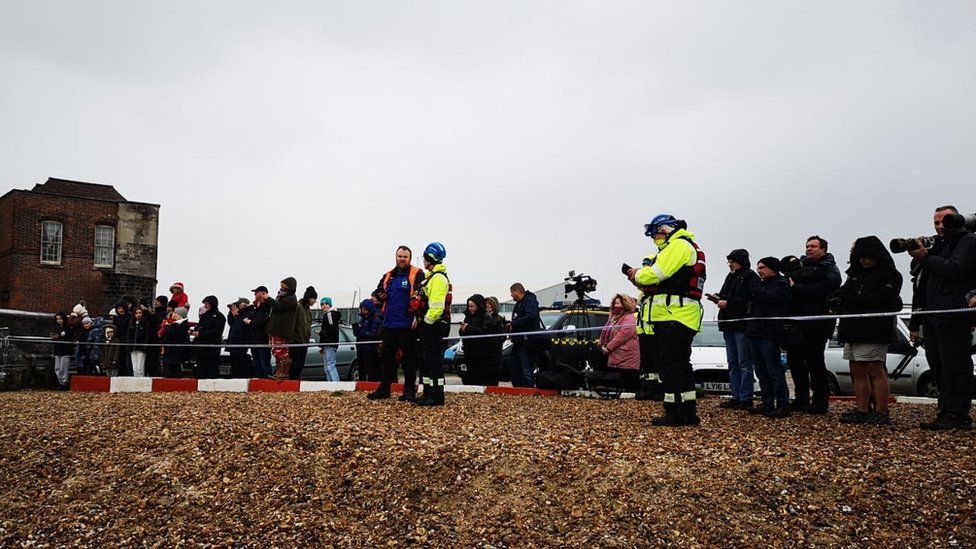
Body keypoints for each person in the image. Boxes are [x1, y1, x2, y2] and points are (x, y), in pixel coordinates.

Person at [629, 214, 706, 427]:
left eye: (655, 234)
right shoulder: (683, 246)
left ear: (666, 228)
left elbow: (652, 275)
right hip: (679, 315)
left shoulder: (678, 246)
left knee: (670, 365)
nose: (654, 239)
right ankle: (687, 411)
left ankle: (674, 411)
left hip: (674, 315)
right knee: (680, 364)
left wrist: (637, 274)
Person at [909, 206, 976, 431]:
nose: (940, 227)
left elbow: (955, 269)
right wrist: (916, 320)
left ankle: (958, 413)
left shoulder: (967, 240)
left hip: (953, 313)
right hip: (932, 314)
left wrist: (926, 257)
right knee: (938, 365)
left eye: (945, 222)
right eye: (936, 222)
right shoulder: (938, 244)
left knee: (955, 365)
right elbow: (921, 284)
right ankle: (945, 410)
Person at [833, 236, 903, 425]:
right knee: (856, 370)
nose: (863, 260)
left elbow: (882, 299)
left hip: (874, 330)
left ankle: (881, 412)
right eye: (860, 256)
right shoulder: (855, 275)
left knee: (874, 370)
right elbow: (842, 294)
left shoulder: (891, 275)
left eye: (867, 256)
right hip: (852, 329)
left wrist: (852, 300)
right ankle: (862, 410)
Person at [785, 236, 841, 414]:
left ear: (823, 249)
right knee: (795, 361)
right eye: (807, 246)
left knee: (815, 363)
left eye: (813, 246)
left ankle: (820, 401)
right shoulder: (801, 267)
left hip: (818, 323)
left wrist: (799, 287)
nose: (809, 249)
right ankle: (801, 399)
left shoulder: (830, 268)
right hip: (798, 321)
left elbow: (826, 287)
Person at [368, 246, 425, 401]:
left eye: (405, 257)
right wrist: (379, 295)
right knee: (386, 358)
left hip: (407, 324)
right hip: (389, 323)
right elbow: (377, 292)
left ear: (410, 258)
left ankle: (409, 391)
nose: (402, 259)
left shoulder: (417, 274)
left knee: (409, 359)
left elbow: (423, 297)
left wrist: (417, 317)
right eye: (399, 256)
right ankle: (384, 389)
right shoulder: (388, 275)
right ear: (395, 257)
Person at [745, 257, 794, 418]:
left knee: (774, 370)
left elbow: (767, 297)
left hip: (769, 334)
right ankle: (767, 403)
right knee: (761, 370)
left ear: (773, 268)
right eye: (758, 267)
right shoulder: (761, 284)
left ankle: (783, 404)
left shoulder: (781, 284)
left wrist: (754, 285)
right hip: (755, 331)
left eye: (763, 267)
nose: (760, 270)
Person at [716, 249, 759, 410]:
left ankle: (745, 397)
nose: (730, 264)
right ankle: (736, 395)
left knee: (744, 363)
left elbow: (750, 299)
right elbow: (723, 294)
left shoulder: (749, 276)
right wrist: (719, 299)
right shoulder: (730, 277)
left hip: (741, 325)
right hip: (728, 324)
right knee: (733, 362)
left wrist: (729, 303)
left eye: (732, 261)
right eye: (729, 261)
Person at [415, 242, 451, 406]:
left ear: (430, 258)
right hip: (432, 325)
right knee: (427, 361)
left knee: (433, 362)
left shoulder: (437, 279)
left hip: (434, 325)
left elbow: (436, 308)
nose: (424, 262)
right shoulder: (434, 277)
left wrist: (426, 324)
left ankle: (436, 396)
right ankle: (429, 392)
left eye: (425, 258)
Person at [460, 294, 507, 386]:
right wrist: (464, 329)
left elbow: (486, 334)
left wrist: (468, 328)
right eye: (486, 303)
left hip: (489, 355)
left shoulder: (494, 319)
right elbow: (463, 332)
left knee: (488, 380)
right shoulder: (469, 317)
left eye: (490, 304)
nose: (487, 306)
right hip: (470, 353)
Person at [509, 283, 548, 388]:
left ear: (517, 291)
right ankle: (518, 388)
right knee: (515, 367)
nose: (511, 295)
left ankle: (528, 390)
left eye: (512, 293)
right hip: (518, 341)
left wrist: (515, 324)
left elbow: (530, 316)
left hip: (527, 341)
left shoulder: (529, 302)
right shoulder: (519, 304)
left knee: (526, 367)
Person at [599, 294, 640, 388]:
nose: (615, 306)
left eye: (618, 303)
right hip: (615, 355)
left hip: (626, 355)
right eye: (614, 303)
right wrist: (601, 343)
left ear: (624, 304)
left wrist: (608, 348)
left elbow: (622, 335)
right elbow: (605, 331)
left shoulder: (629, 317)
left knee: (629, 381)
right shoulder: (613, 317)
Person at [268, 277, 299, 380]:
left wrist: (268, 299)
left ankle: (283, 373)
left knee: (281, 351)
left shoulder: (291, 299)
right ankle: (278, 372)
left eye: (284, 287)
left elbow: (278, 306)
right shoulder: (281, 297)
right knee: (276, 351)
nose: (281, 289)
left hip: (283, 330)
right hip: (277, 329)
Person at [192, 296, 226, 379]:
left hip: (212, 347)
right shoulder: (204, 316)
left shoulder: (219, 316)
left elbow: (216, 331)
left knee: (212, 369)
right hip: (201, 347)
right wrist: (193, 332)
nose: (205, 306)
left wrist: (201, 334)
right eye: (204, 304)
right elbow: (199, 327)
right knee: (201, 369)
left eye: (206, 304)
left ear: (212, 304)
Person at [243, 286, 274, 378]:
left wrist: (251, 322)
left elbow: (264, 320)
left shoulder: (268, 306)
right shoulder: (255, 307)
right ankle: (260, 383)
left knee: (264, 364)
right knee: (257, 365)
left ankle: (267, 384)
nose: (255, 295)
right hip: (254, 339)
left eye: (257, 293)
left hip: (262, 339)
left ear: (263, 293)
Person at [290, 287, 317, 380]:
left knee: (300, 365)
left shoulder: (309, 310)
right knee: (294, 365)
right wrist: (292, 339)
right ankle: (293, 383)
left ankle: (296, 381)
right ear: (309, 298)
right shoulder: (298, 307)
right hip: (296, 341)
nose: (314, 301)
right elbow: (292, 323)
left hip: (304, 342)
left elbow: (308, 326)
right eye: (314, 299)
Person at [353, 299, 383, 382]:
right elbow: (359, 334)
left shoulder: (375, 320)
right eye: (362, 309)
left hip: (370, 348)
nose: (363, 311)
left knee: (370, 370)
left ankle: (371, 385)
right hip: (361, 347)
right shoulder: (362, 320)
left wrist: (360, 331)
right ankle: (362, 385)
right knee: (361, 368)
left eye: (365, 309)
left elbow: (372, 335)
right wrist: (355, 329)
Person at [160, 307, 191, 377]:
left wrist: (167, 324)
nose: (173, 314)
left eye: (175, 313)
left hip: (176, 352)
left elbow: (170, 332)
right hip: (172, 351)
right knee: (172, 369)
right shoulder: (177, 324)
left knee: (174, 371)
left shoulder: (181, 324)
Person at [318, 296, 342, 382]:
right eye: (322, 304)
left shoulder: (329, 314)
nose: (324, 306)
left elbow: (332, 329)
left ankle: (335, 385)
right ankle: (331, 385)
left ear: (330, 305)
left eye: (326, 304)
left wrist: (321, 333)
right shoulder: (329, 315)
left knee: (330, 365)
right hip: (328, 344)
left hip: (330, 343)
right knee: (327, 366)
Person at [226, 298, 251, 378]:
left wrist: (236, 316)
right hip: (233, 343)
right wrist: (231, 312)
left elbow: (241, 327)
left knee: (240, 365)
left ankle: (241, 379)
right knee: (234, 365)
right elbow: (230, 322)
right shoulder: (238, 314)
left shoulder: (247, 313)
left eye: (238, 305)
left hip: (241, 344)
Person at [127, 306, 152, 377]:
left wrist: (145, 346)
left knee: (140, 368)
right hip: (133, 348)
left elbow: (147, 336)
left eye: (140, 313)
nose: (138, 315)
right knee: (134, 368)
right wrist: (129, 346)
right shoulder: (131, 324)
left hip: (141, 348)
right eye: (136, 313)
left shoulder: (145, 324)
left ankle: (141, 381)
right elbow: (129, 336)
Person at [51, 312, 74, 389]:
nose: (59, 320)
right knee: (57, 368)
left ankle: (64, 383)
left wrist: (59, 337)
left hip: (66, 351)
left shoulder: (68, 328)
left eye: (60, 319)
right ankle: (60, 382)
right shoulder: (57, 328)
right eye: (57, 319)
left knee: (63, 368)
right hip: (58, 350)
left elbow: (70, 339)